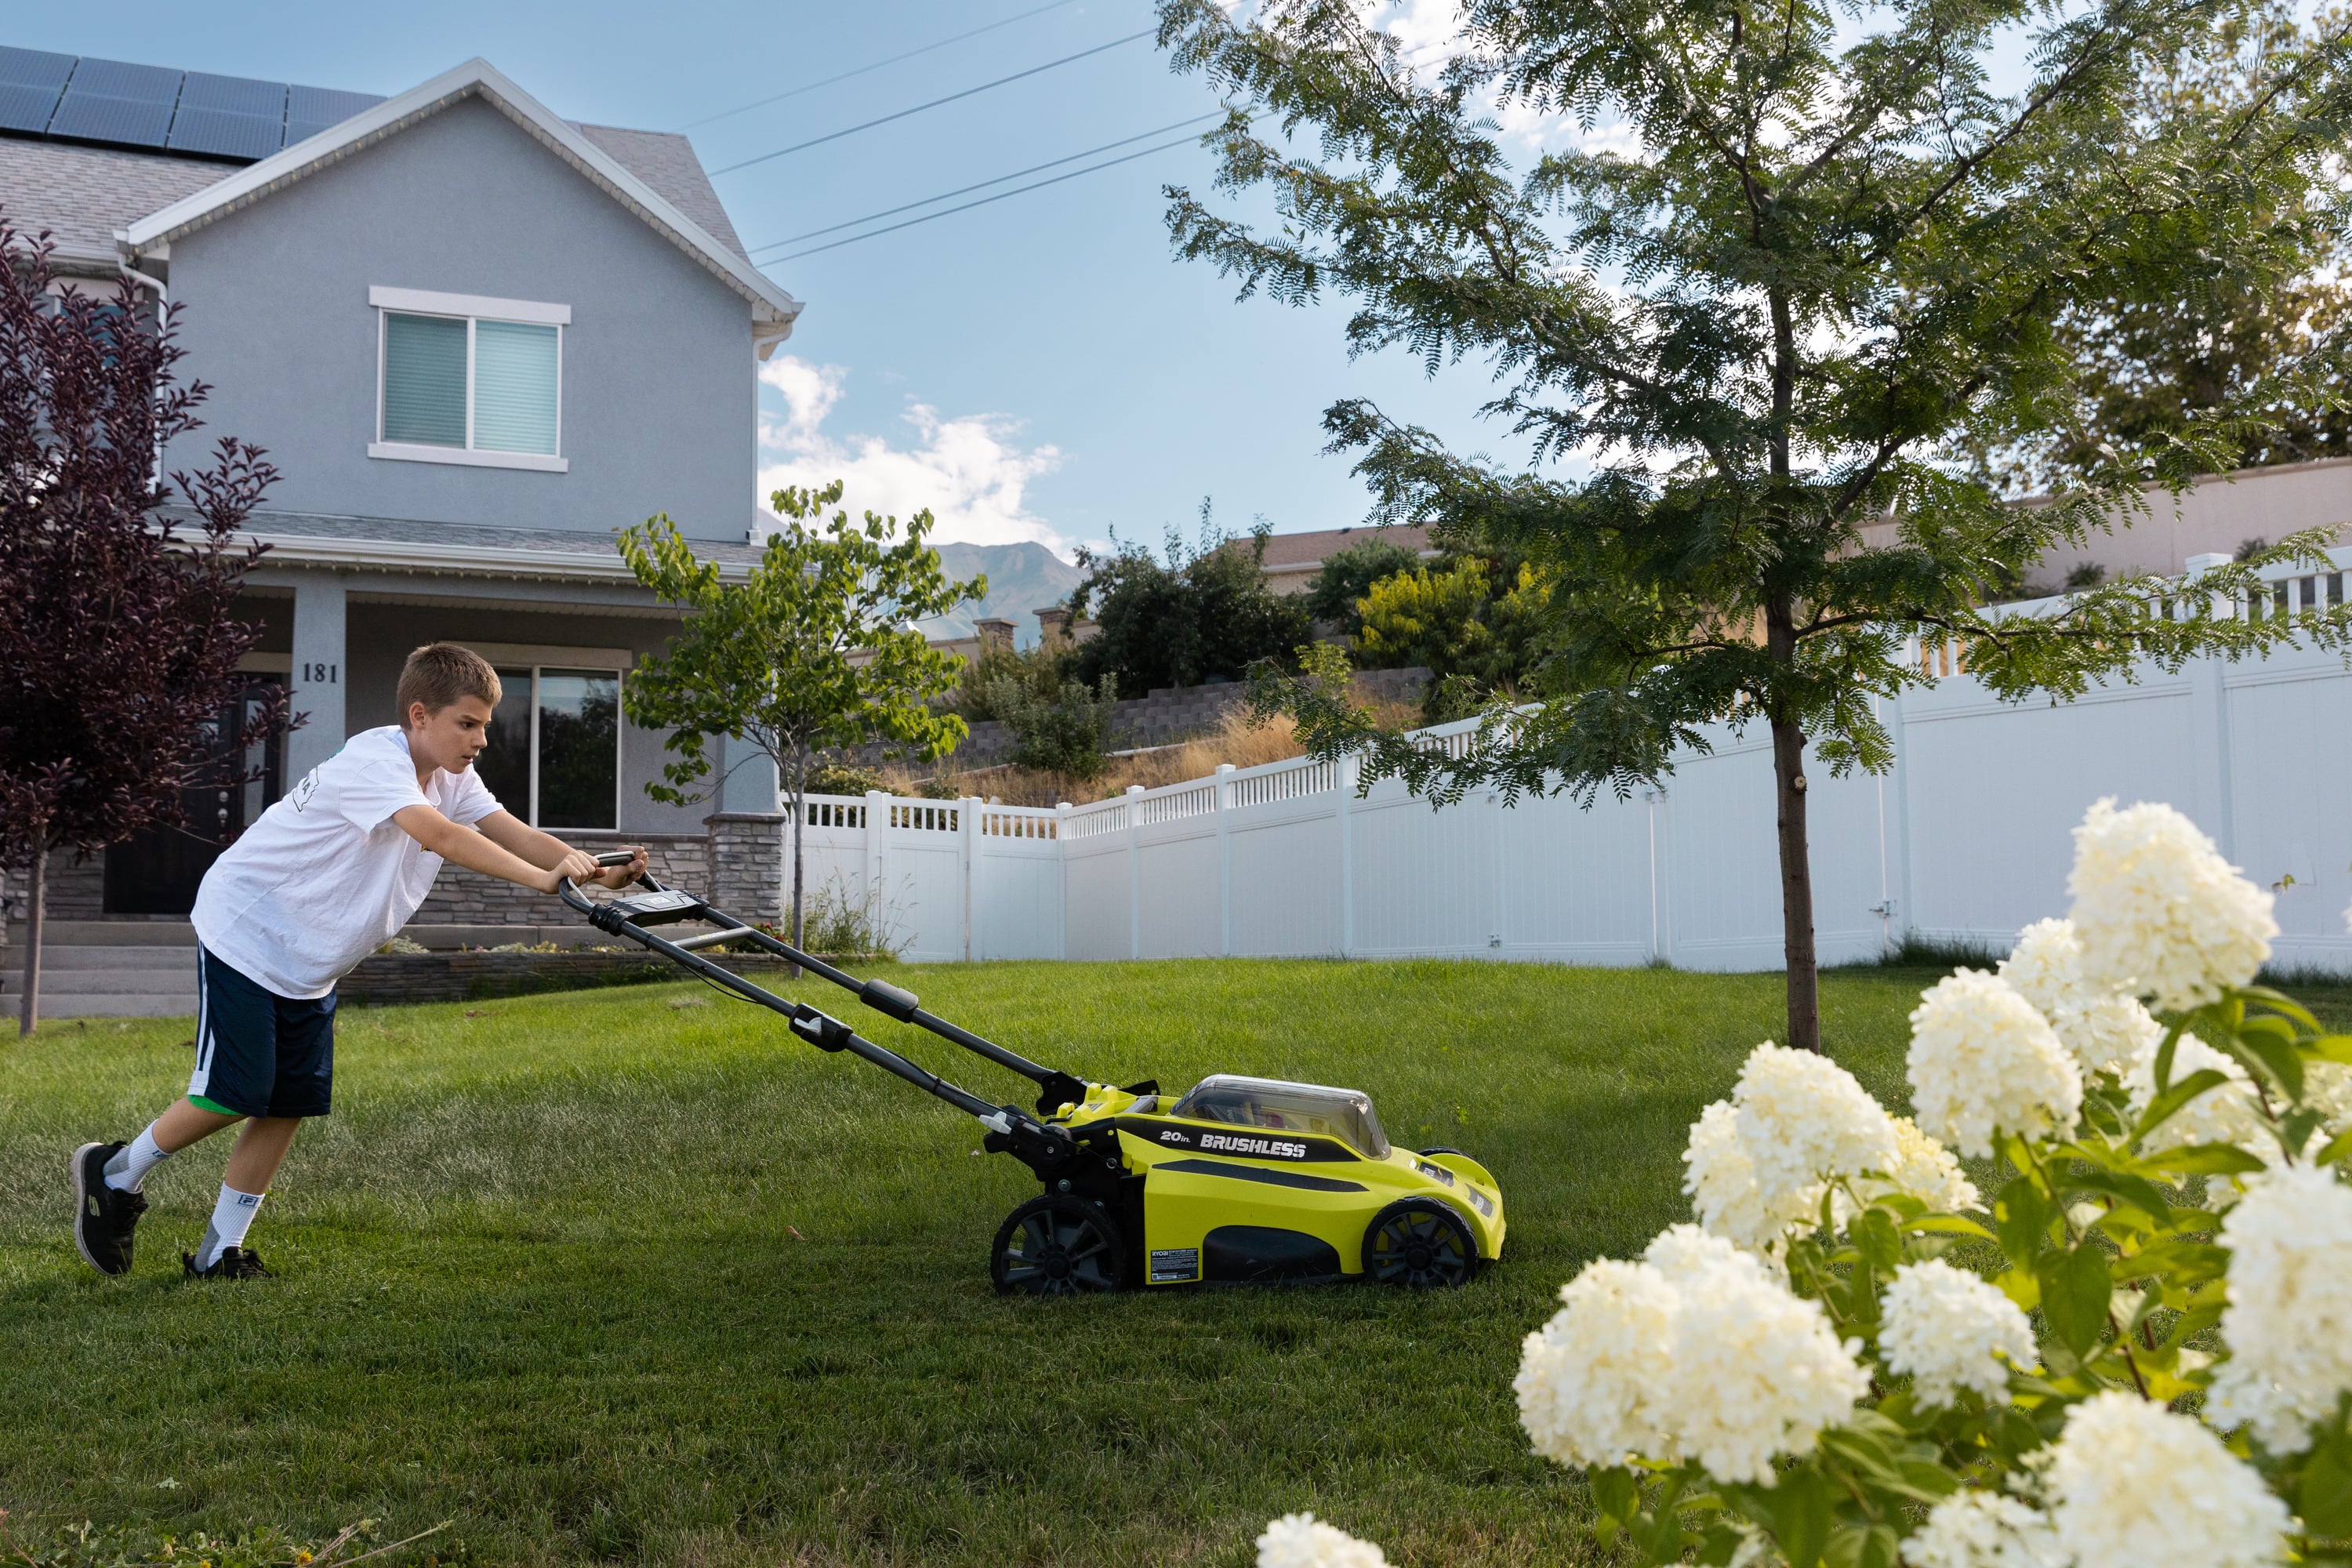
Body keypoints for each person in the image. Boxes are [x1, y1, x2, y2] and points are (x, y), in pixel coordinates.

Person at [70, 643, 645, 1281]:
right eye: (468, 723)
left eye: (485, 724)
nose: (481, 739)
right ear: (420, 715)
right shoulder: (375, 761)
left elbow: (516, 833)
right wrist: (543, 882)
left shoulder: (454, 776)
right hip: (249, 932)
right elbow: (444, 837)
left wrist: (592, 874)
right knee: (232, 1093)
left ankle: (218, 1252)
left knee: (287, 1101)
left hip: (311, 958)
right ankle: (115, 1173)